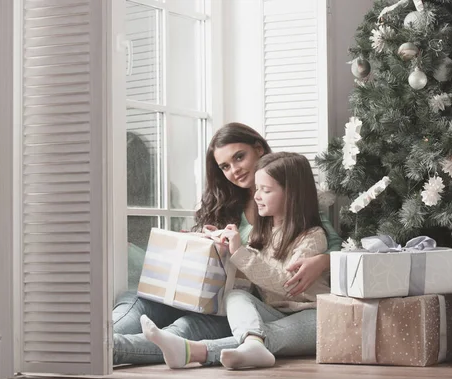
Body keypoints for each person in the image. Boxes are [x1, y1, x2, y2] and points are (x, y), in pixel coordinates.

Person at [113, 123, 342, 365]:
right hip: (204, 295)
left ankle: (113, 349)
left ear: (259, 150)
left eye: (239, 157)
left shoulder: (298, 214)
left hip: (232, 309)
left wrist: (324, 260)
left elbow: (332, 247)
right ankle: (94, 340)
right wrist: (205, 242)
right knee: (136, 298)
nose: (234, 170)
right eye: (224, 166)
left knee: (187, 326)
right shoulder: (225, 205)